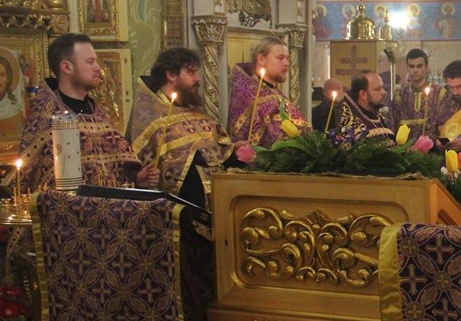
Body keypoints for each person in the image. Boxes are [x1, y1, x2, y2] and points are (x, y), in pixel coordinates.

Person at [19, 33, 158, 192]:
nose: (98, 67)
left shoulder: (99, 114)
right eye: (90, 62)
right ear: (67, 67)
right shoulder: (45, 119)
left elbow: (118, 173)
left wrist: (138, 180)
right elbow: (28, 183)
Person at [128, 47, 253, 205]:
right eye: (191, 72)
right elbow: (135, 169)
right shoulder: (151, 118)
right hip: (179, 207)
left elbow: (216, 155)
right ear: (171, 75)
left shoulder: (195, 113)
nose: (197, 79)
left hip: (215, 201)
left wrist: (233, 152)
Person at [228, 36, 310, 147]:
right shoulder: (247, 95)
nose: (286, 63)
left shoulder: (275, 92)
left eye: (287, 58)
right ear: (261, 59)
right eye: (280, 58)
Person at [388, 49, 441, 141]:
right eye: (411, 66)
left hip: (432, 147)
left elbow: (443, 124)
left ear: (426, 67)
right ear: (407, 68)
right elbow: (392, 124)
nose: (415, 70)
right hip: (405, 148)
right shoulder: (399, 95)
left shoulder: (439, 93)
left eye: (419, 66)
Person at [333, 71, 394, 145]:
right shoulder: (347, 119)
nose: (384, 92)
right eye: (378, 89)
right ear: (363, 94)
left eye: (382, 87)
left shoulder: (376, 113)